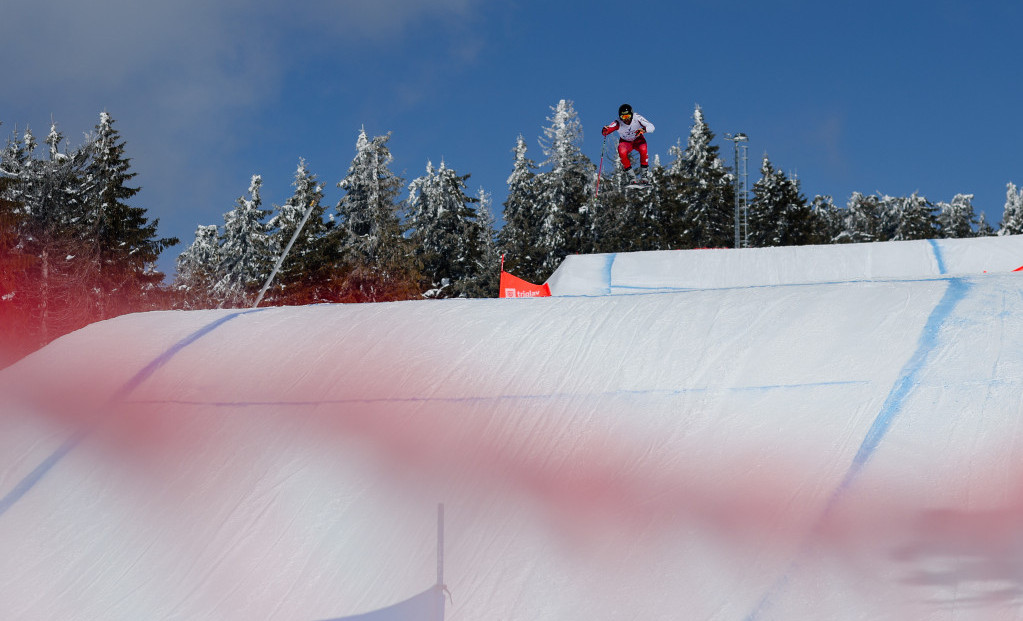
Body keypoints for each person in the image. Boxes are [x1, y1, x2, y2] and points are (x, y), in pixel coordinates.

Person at [601, 103, 655, 184]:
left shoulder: (637, 118)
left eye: (628, 116)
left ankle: (644, 176)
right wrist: (605, 130)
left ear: (632, 114)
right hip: (626, 142)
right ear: (620, 117)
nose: (626, 119)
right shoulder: (618, 122)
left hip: (638, 139)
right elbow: (608, 129)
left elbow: (652, 127)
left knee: (643, 149)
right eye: (623, 117)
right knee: (621, 151)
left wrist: (644, 130)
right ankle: (632, 177)